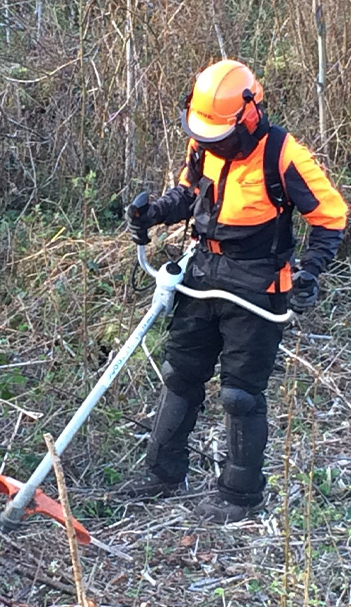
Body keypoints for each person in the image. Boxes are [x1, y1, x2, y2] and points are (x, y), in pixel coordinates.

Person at [125, 59, 348, 523]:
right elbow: (189, 193)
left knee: (240, 395)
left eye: (219, 137)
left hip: (258, 284)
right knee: (180, 373)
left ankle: (239, 494)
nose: (212, 144)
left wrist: (309, 273)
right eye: (205, 136)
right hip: (203, 273)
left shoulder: (283, 154)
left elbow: (331, 218)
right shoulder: (204, 141)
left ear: (247, 116)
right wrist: (153, 215)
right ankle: (163, 473)